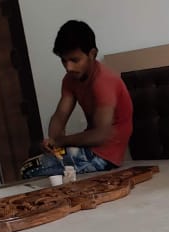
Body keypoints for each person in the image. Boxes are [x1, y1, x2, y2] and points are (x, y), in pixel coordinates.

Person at [21, 20, 133, 179]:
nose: (69, 67)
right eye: (64, 60)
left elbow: (101, 135)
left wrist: (61, 141)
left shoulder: (104, 81)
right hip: (91, 149)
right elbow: (60, 115)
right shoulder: (70, 80)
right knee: (35, 154)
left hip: (105, 155)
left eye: (74, 60)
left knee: (29, 169)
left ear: (92, 54)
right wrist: (52, 142)